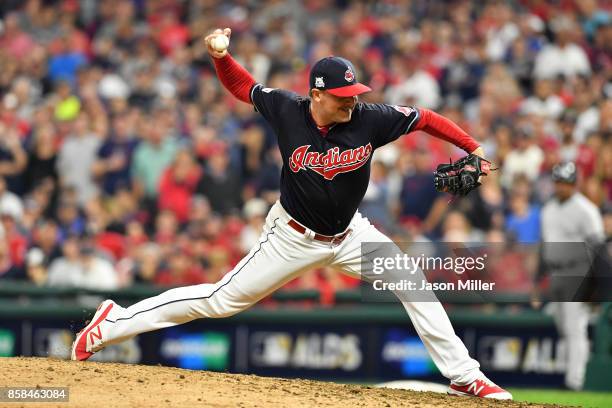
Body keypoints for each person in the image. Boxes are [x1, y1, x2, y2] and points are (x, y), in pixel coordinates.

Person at [71, 28, 511, 400]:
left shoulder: (371, 119)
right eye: (341, 97)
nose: (350, 103)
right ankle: (113, 323)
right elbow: (243, 87)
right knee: (220, 301)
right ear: (316, 94)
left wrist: (473, 147)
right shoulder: (288, 110)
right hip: (291, 237)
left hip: (351, 235)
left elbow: (426, 118)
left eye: (354, 94)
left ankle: (464, 376)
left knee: (411, 281)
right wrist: (220, 57)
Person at [535, 162, 605, 390]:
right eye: (558, 182)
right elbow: (543, 247)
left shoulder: (586, 209)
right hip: (556, 272)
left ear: (575, 184)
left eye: (566, 183)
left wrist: (594, 286)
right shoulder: (547, 210)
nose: (561, 187)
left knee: (575, 328)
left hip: (579, 271)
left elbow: (599, 249)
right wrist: (537, 281)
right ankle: (578, 369)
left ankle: (575, 381)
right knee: (564, 327)